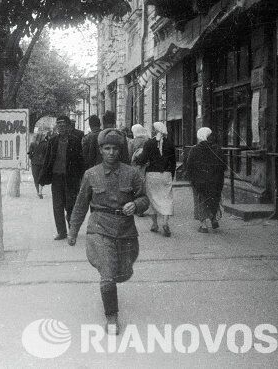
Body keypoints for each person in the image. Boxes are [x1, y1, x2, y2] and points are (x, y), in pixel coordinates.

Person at [68, 129, 149, 335]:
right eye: (107, 148)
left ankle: (111, 293)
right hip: (99, 228)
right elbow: (80, 204)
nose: (111, 152)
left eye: (115, 148)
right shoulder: (91, 174)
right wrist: (73, 230)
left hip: (124, 229)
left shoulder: (131, 173)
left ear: (120, 150)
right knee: (108, 274)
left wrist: (136, 205)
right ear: (101, 150)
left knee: (122, 273)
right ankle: (111, 317)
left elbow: (144, 199)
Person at [39, 115, 85, 241]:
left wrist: (82, 177)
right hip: (56, 177)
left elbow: (80, 161)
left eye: (64, 125)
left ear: (69, 126)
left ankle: (72, 229)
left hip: (71, 178)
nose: (61, 127)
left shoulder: (75, 140)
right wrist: (42, 178)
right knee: (57, 205)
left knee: (71, 204)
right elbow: (47, 159)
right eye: (59, 125)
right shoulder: (52, 141)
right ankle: (61, 232)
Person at [134, 122, 176, 236]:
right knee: (167, 198)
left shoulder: (149, 143)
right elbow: (173, 162)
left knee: (152, 199)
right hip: (166, 174)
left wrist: (136, 159)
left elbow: (142, 159)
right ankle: (165, 223)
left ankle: (154, 224)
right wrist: (171, 174)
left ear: (154, 131)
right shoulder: (170, 144)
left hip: (152, 174)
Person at [185, 127, 227, 233]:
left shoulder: (194, 149)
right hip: (215, 180)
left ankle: (203, 225)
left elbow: (189, 166)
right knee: (214, 199)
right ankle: (213, 219)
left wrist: (192, 179)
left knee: (201, 200)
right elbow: (223, 165)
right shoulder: (217, 148)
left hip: (200, 181)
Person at [28, 131, 49, 199]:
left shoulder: (32, 143)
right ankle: (40, 191)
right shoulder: (46, 144)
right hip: (43, 163)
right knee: (41, 178)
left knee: (36, 178)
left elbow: (29, 153)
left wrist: (32, 158)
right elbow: (47, 154)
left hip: (34, 163)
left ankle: (38, 191)